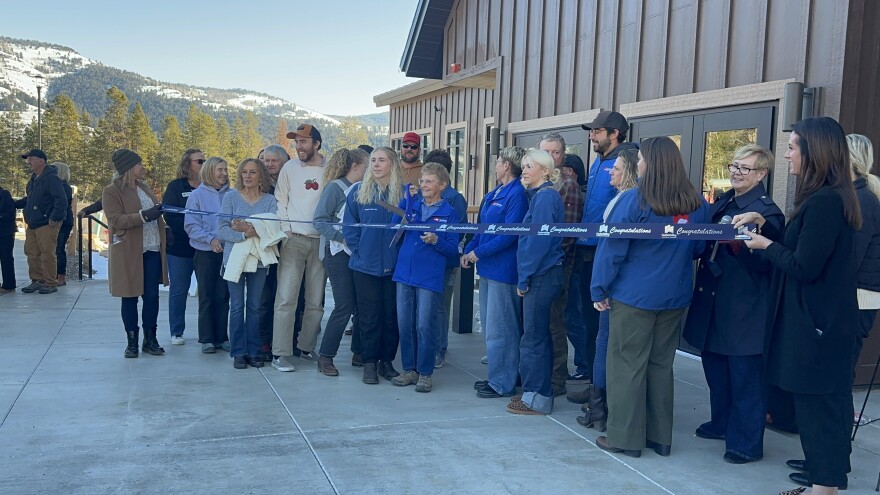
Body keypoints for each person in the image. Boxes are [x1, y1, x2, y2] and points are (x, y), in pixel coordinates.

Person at [735, 117, 860, 495]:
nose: (786, 155)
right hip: (824, 321)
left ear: (813, 152)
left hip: (817, 325)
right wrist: (767, 225)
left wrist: (764, 246)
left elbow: (805, 266)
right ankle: (826, 483)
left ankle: (822, 488)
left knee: (819, 409)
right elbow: (803, 247)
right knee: (828, 407)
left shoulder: (824, 201)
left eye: (792, 147)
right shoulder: (830, 197)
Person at [592, 136, 708, 458]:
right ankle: (660, 438)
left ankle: (624, 438)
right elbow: (699, 248)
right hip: (675, 297)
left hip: (634, 297)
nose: (638, 163)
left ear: (652, 163)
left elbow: (613, 249)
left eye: (641, 159)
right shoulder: (696, 202)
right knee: (660, 366)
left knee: (627, 365)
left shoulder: (635, 200)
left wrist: (599, 288)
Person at [681, 145, 784, 464]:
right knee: (716, 368)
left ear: (762, 174)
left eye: (745, 168)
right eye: (734, 166)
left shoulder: (767, 212)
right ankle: (722, 423)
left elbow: (769, 263)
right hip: (713, 300)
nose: (736, 172)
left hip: (744, 306)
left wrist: (739, 249)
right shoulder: (725, 200)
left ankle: (746, 443)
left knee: (745, 377)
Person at [577, 146, 641, 432]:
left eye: (615, 169)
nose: (610, 173)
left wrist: (599, 289)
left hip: (617, 287)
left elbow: (610, 250)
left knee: (606, 344)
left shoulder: (623, 202)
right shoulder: (631, 200)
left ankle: (599, 407)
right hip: (627, 286)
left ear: (628, 171)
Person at [572, 111, 631, 403]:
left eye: (597, 131)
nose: (591, 136)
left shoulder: (627, 161)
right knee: (589, 321)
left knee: (601, 324)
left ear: (615, 133)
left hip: (606, 251)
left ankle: (604, 391)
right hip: (586, 248)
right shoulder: (597, 162)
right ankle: (595, 382)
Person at [463, 146, 529, 398]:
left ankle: (503, 382)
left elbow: (509, 233)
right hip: (488, 268)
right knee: (491, 327)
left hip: (504, 269)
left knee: (502, 328)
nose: (496, 164)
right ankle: (497, 374)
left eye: (499, 161)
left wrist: (479, 253)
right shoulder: (493, 193)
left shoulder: (517, 195)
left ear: (508, 165)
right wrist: (469, 248)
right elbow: (482, 228)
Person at [391, 163, 460, 393]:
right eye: (422, 181)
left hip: (429, 276)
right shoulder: (412, 205)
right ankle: (409, 370)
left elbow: (453, 250)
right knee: (405, 323)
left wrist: (436, 241)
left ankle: (426, 373)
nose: (423, 185)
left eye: (429, 181)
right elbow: (394, 227)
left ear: (442, 185)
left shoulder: (450, 213)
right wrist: (405, 203)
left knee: (424, 325)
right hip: (404, 273)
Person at [506, 149, 565, 416]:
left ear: (545, 171)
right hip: (546, 274)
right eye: (523, 166)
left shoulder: (544, 198)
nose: (524, 170)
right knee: (540, 336)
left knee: (533, 339)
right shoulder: (542, 197)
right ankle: (539, 393)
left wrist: (524, 277)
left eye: (530, 166)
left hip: (542, 276)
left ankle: (534, 398)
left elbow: (537, 244)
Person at [343, 146, 403, 384]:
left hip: (394, 268)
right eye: (373, 161)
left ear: (392, 164)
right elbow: (350, 228)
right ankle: (369, 362)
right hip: (364, 267)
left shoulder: (404, 194)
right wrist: (359, 251)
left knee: (390, 317)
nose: (376, 165)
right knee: (368, 316)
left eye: (382, 160)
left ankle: (386, 362)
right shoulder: (358, 192)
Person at [102, 149, 168, 358]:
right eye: (139, 164)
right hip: (129, 251)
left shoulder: (144, 187)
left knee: (151, 297)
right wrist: (143, 217)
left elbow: (152, 214)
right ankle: (132, 342)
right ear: (128, 168)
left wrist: (162, 224)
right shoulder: (112, 191)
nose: (143, 167)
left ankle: (151, 339)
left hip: (152, 249)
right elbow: (115, 220)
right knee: (129, 297)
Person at [272, 124, 328, 372]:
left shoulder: (330, 168)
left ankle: (306, 347)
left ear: (316, 143)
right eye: (297, 142)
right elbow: (280, 199)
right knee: (286, 298)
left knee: (315, 301)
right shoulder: (289, 167)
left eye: (304, 142)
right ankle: (280, 353)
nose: (299, 147)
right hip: (294, 239)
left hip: (321, 240)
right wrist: (286, 229)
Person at [218, 158, 278, 370]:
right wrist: (246, 234)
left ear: (260, 175)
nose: (248, 176)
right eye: (244, 172)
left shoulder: (270, 201)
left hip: (259, 260)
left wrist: (249, 228)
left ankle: (254, 351)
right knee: (237, 307)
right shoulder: (231, 198)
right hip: (233, 259)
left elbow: (273, 230)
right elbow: (222, 229)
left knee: (254, 307)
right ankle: (238, 352)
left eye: (253, 172)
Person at [313, 148, 368, 376]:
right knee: (344, 305)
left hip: (359, 252)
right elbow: (319, 221)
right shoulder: (335, 188)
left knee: (362, 305)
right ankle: (326, 356)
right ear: (355, 166)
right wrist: (342, 236)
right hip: (338, 253)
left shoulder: (365, 190)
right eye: (367, 165)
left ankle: (359, 352)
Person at [540, 132, 584, 397]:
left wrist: (546, 260)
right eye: (545, 151)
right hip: (539, 265)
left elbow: (566, 234)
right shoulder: (541, 181)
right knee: (541, 323)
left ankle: (557, 379)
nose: (549, 156)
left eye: (554, 152)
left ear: (562, 155)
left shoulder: (567, 184)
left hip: (557, 265)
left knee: (555, 322)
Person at [415, 148, 466, 368]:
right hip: (422, 261)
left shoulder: (454, 199)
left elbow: (458, 231)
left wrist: (441, 244)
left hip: (444, 261)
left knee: (439, 307)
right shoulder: (419, 197)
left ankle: (439, 350)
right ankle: (429, 348)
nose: (426, 184)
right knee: (429, 308)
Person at [185, 157, 231, 354]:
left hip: (227, 251)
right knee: (207, 295)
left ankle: (222, 337)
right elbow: (191, 225)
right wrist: (210, 240)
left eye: (225, 170)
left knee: (224, 295)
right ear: (210, 171)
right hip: (205, 252)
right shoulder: (196, 196)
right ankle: (206, 338)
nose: (224, 174)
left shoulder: (233, 194)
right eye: (220, 170)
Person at [162, 149, 204, 345]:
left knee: (208, 290)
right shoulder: (175, 187)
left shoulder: (209, 188)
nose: (203, 164)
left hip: (205, 248)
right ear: (188, 165)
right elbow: (169, 214)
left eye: (205, 161)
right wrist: (192, 232)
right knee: (179, 289)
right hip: (180, 247)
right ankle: (176, 331)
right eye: (199, 161)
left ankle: (208, 333)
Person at [847, 134, 880, 376]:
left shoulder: (863, 200)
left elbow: (851, 256)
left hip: (858, 296)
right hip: (860, 294)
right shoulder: (862, 195)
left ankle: (842, 415)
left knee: (841, 368)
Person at [256, 144, 293, 361]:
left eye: (273, 161)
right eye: (265, 160)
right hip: (266, 248)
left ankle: (290, 340)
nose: (268, 164)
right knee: (264, 297)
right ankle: (263, 340)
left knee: (288, 295)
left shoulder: (291, 182)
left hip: (289, 245)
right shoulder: (259, 186)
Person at [13, 149, 67, 294]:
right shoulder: (33, 180)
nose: (28, 161)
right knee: (31, 252)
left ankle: (50, 282)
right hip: (32, 223)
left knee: (47, 253)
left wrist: (54, 217)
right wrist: (12, 203)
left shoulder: (51, 179)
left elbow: (61, 200)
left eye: (31, 158)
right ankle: (37, 280)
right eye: (27, 158)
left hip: (46, 223)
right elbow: (29, 199)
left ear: (42, 161)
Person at [52, 162, 74, 287]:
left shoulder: (64, 187)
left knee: (59, 249)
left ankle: (61, 276)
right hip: (63, 220)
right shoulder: (63, 186)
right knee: (56, 249)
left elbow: (61, 203)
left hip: (64, 221)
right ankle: (54, 275)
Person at [0, 184, 16, 295]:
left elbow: (11, 214)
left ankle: (9, 285)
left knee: (6, 258)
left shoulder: (4, 195)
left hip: (5, 232)